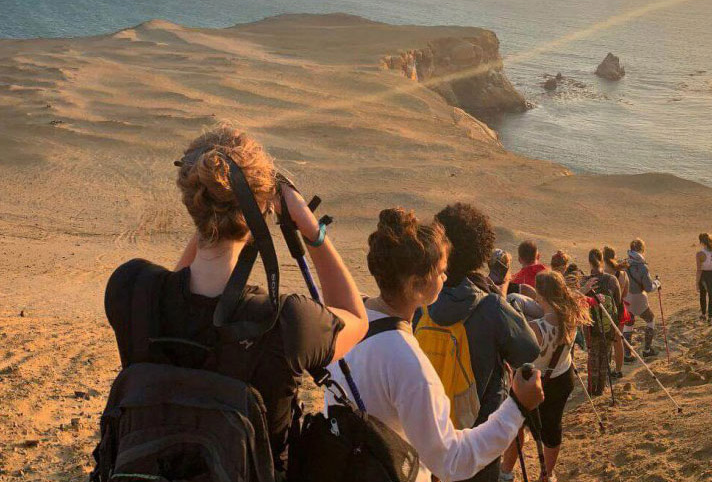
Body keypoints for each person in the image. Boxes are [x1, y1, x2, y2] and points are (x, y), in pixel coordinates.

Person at [104, 125, 368, 473]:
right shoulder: (287, 322)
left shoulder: (130, 288)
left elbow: (172, 292)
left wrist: (210, 218)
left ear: (191, 200)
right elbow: (355, 317)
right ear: (263, 207)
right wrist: (311, 230)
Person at [326, 209, 545, 482]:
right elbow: (451, 461)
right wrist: (518, 407)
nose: (445, 278)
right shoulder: (408, 360)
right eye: (441, 271)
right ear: (418, 284)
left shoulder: (346, 324)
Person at [415, 203, 541, 482]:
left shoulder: (418, 303)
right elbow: (529, 350)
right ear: (481, 252)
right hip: (480, 432)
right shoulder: (491, 306)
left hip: (427, 426)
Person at [500, 272, 590, 482]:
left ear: (540, 294)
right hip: (562, 377)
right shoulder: (571, 313)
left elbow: (517, 353)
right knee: (552, 428)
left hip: (534, 382)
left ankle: (506, 471)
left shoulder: (536, 328)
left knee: (517, 424)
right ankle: (547, 474)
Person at [583, 249, 624, 380]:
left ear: (589, 262)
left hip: (591, 326)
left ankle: (593, 386)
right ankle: (602, 385)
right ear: (602, 261)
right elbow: (618, 304)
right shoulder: (612, 279)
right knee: (606, 356)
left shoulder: (584, 282)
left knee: (593, 357)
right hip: (609, 325)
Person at [625, 238, 661, 358]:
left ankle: (627, 355)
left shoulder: (624, 263)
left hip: (626, 298)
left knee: (628, 323)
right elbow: (649, 288)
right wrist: (657, 283)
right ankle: (647, 349)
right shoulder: (642, 267)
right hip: (639, 298)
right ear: (642, 249)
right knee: (650, 319)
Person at [602, 246, 633, 365]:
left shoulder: (602, 274)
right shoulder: (623, 274)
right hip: (619, 309)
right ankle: (618, 370)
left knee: (606, 341)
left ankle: (606, 368)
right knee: (618, 340)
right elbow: (625, 294)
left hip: (606, 310)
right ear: (615, 257)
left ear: (603, 259)